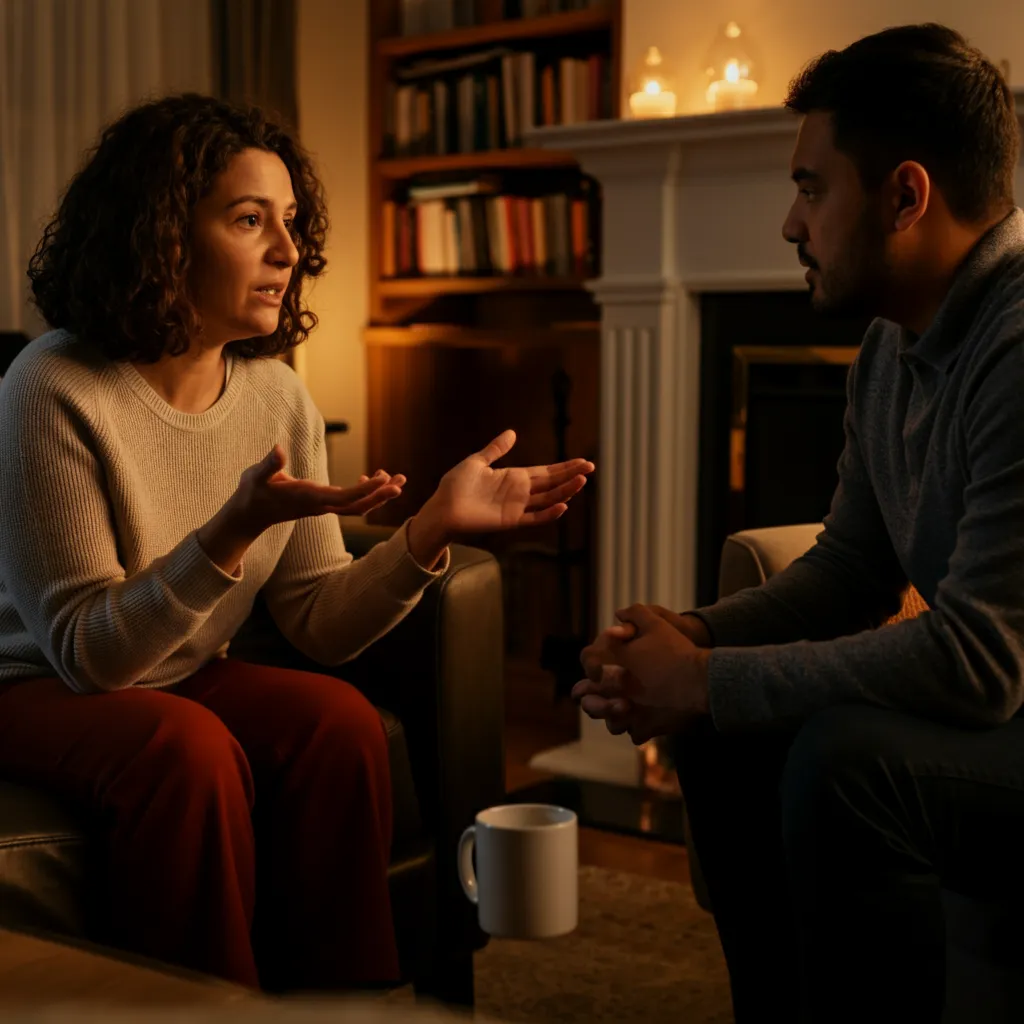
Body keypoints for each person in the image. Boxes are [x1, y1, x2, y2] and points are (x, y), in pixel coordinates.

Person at [0, 93, 593, 993]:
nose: (288, 251)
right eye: (250, 220)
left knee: (339, 724)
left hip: (174, 670)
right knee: (184, 751)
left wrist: (428, 527)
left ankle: (354, 1006)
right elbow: (91, 656)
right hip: (35, 683)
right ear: (161, 233)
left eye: (291, 222)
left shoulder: (277, 396)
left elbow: (318, 621)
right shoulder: (51, 386)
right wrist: (233, 528)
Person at [573, 23, 1024, 1024]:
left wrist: (703, 679)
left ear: (904, 195)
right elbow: (850, 568)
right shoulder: (887, 349)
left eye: (811, 188)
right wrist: (693, 636)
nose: (788, 223)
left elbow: (981, 662)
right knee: (727, 738)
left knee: (844, 763)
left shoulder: (1017, 345)